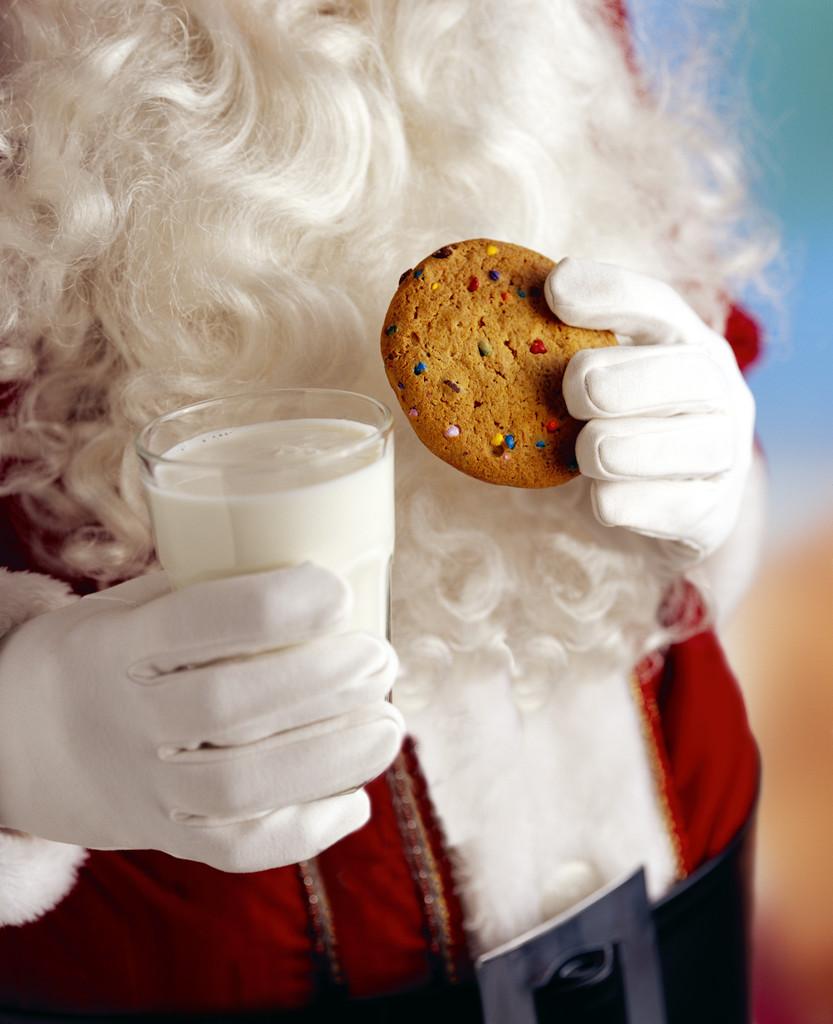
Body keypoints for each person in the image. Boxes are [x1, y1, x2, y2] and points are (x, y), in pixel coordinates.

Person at [0, 0, 771, 1020]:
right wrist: (23, 744)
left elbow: (697, 415)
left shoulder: (559, 24)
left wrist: (715, 483)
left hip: (686, 923)